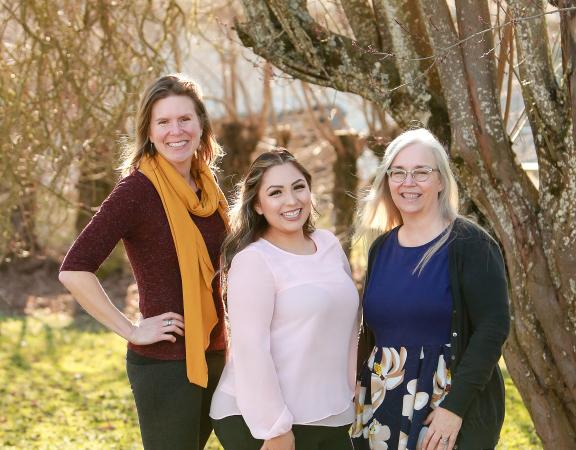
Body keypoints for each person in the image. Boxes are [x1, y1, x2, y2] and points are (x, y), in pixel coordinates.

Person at [59, 73, 229, 450]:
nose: (176, 131)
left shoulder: (208, 189)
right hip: (166, 364)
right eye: (163, 122)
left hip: (218, 353)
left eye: (185, 119)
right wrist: (132, 329)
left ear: (201, 124)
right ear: (149, 132)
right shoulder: (137, 190)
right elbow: (75, 269)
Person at [350, 128, 510, 450]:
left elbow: (493, 329)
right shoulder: (381, 248)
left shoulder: (471, 245)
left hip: (444, 409)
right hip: (382, 402)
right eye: (399, 172)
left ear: (440, 181)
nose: (408, 182)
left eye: (421, 172)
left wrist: (454, 408)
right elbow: (373, 330)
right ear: (387, 181)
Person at [210, 149, 359, 450]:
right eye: (276, 192)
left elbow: (350, 320)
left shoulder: (328, 244)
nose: (291, 201)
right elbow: (251, 350)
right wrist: (275, 428)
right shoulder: (254, 261)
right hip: (262, 421)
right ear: (258, 205)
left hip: (332, 411)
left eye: (298, 187)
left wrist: (351, 384)